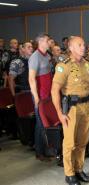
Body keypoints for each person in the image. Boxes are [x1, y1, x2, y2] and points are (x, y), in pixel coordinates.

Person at [52, 36, 89, 185]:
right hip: (71, 109)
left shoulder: (88, 65)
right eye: (80, 45)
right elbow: (54, 90)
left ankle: (79, 169)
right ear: (71, 48)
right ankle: (69, 173)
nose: (83, 47)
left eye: (83, 44)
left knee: (83, 141)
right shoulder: (64, 65)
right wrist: (59, 113)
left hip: (86, 107)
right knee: (70, 143)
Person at [28, 33, 52, 161]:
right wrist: (36, 97)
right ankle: (39, 152)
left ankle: (47, 149)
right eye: (48, 40)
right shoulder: (35, 57)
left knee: (46, 122)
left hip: (48, 95)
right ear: (41, 42)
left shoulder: (47, 55)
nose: (50, 42)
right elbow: (31, 79)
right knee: (40, 123)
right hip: (40, 96)